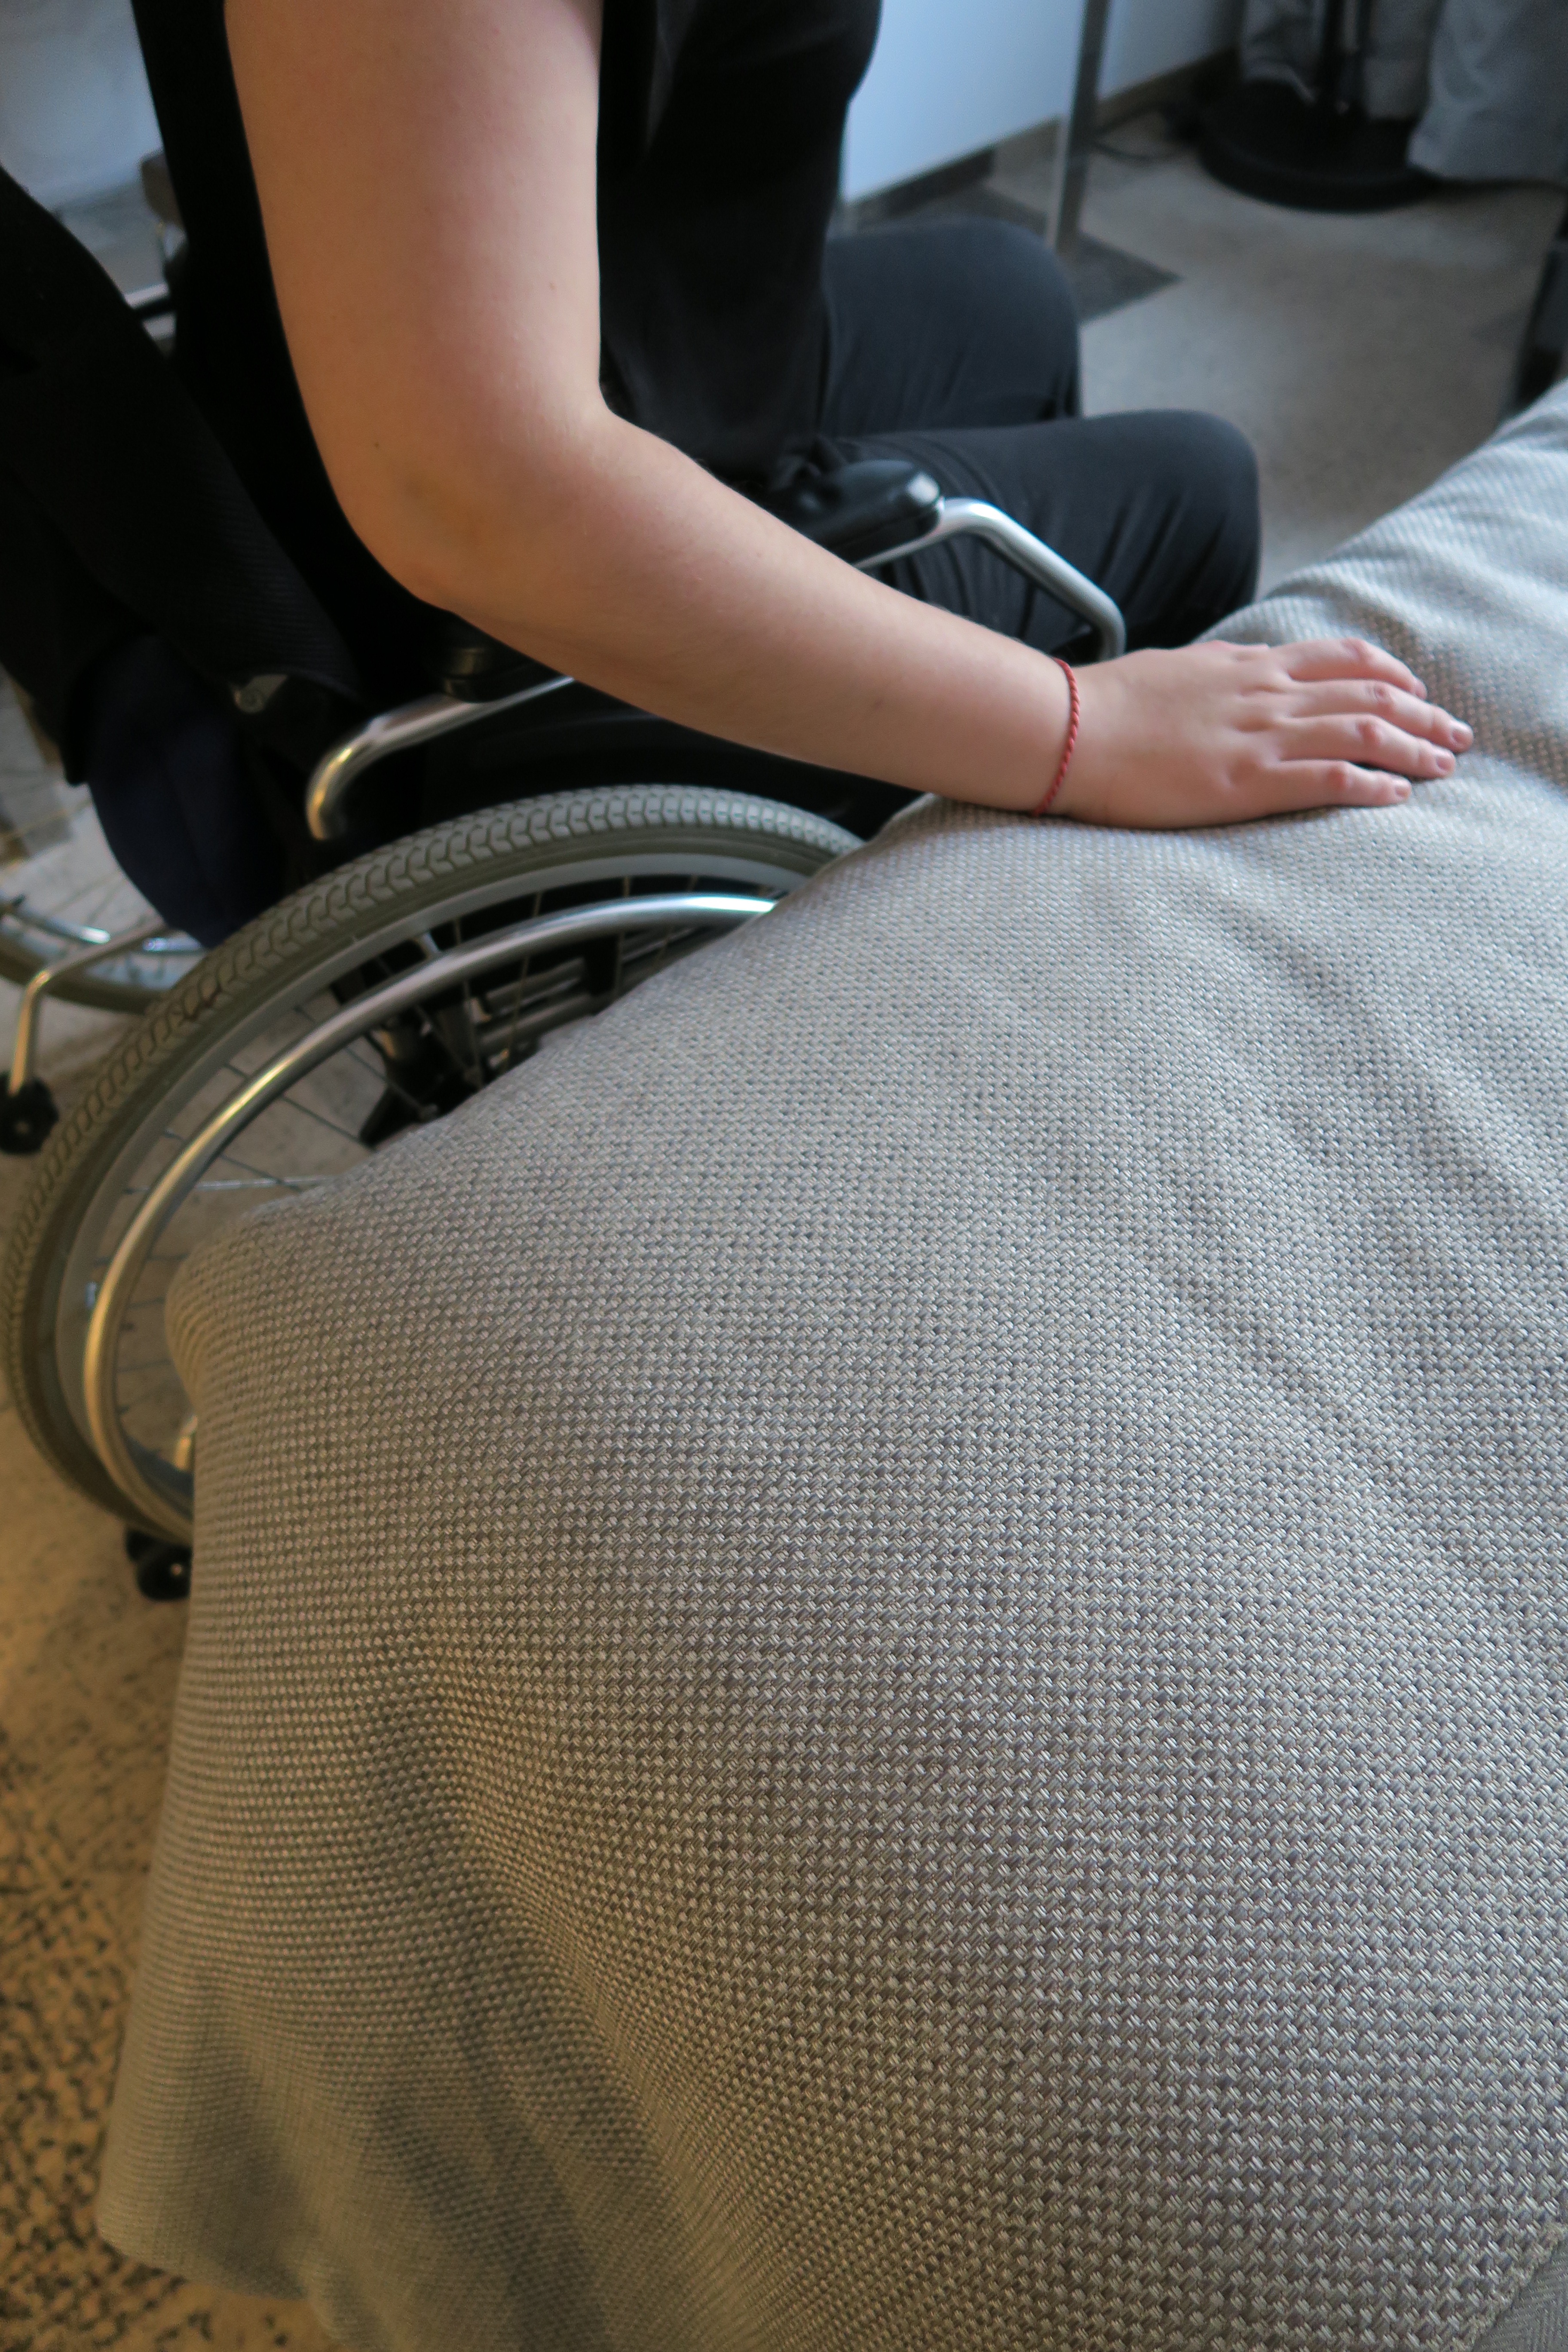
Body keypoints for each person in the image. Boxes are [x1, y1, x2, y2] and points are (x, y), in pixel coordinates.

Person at [221, 0, 1471, 827]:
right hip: (494, 616)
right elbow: (475, 499)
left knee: (1010, 294)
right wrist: (1085, 732)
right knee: (1193, 489)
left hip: (635, 344)